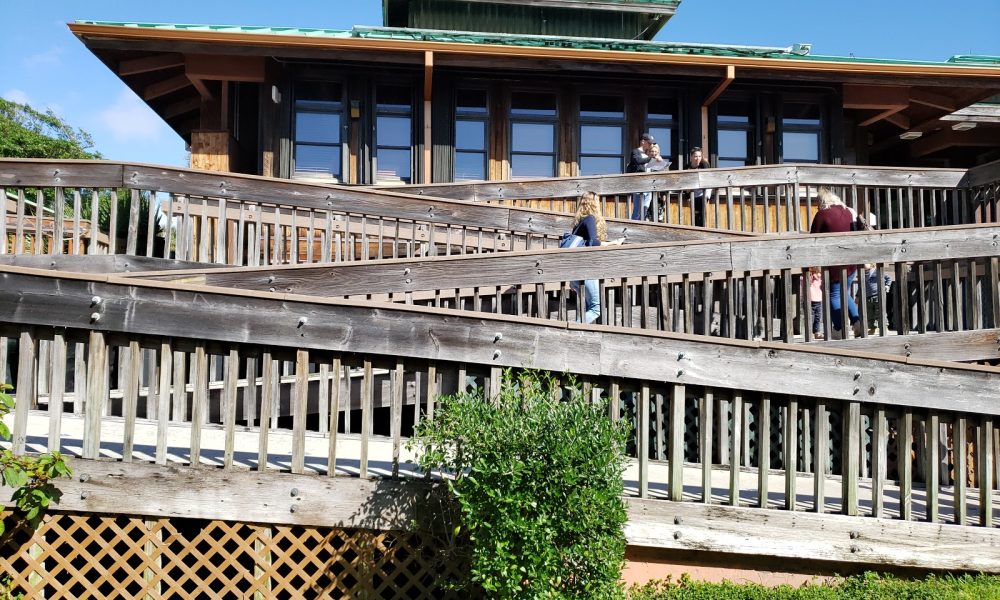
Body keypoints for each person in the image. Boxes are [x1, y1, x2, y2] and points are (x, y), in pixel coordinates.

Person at [810, 187, 861, 338]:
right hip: (852, 262)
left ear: (821, 201)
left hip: (834, 263)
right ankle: (857, 323)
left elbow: (812, 238)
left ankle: (839, 329)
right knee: (844, 293)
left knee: (833, 295)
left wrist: (814, 263)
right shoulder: (847, 211)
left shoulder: (822, 215)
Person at [568, 192, 622, 324]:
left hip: (575, 272)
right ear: (594, 203)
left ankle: (579, 334)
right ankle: (573, 331)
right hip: (587, 271)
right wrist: (613, 243)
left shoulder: (578, 224)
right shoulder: (590, 219)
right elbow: (593, 243)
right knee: (595, 309)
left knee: (587, 308)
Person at [635, 143, 671, 221]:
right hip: (646, 190)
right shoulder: (644, 160)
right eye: (652, 151)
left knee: (658, 216)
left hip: (658, 194)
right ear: (648, 152)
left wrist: (664, 193)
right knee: (644, 214)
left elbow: (665, 178)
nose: (654, 153)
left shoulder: (661, 162)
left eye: (656, 152)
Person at [626, 133, 654, 221]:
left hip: (647, 185)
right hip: (638, 185)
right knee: (637, 209)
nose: (650, 145)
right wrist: (650, 158)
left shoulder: (646, 155)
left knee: (645, 207)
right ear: (643, 142)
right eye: (649, 142)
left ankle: (642, 223)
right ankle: (634, 226)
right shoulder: (635, 152)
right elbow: (638, 161)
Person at [687, 147, 711, 227]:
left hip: (703, 192)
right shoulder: (687, 167)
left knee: (701, 213)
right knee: (695, 214)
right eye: (696, 156)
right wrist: (687, 197)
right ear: (691, 157)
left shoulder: (704, 165)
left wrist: (707, 196)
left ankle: (702, 228)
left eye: (699, 156)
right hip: (692, 193)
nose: (698, 158)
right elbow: (685, 183)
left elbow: (707, 180)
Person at [806, 266, 824, 340]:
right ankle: (810, 332)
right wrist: (812, 276)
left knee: (817, 317)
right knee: (811, 317)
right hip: (811, 299)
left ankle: (816, 332)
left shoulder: (821, 275)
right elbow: (807, 283)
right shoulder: (809, 275)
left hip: (819, 299)